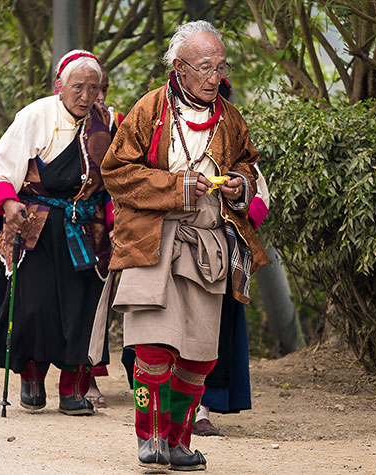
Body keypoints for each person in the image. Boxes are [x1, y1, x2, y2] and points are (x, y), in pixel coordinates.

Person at [97, 20, 269, 471]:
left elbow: (249, 167)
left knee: (197, 353)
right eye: (206, 67)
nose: (216, 77)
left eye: (221, 67)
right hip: (151, 239)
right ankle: (149, 437)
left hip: (206, 248)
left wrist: (239, 185)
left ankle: (178, 441)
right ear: (180, 67)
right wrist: (175, 187)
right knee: (153, 345)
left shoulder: (230, 119)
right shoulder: (150, 108)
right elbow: (115, 171)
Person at [0, 49, 113, 417]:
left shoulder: (107, 123)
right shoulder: (35, 115)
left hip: (86, 228)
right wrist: (8, 204)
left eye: (93, 87)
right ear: (60, 86)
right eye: (78, 87)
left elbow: (116, 180)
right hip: (35, 225)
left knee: (81, 308)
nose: (86, 96)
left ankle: (72, 390)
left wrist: (117, 217)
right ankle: (31, 377)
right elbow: (2, 166)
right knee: (35, 306)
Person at [194, 162, 270, 436]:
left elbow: (261, 194)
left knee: (216, 328)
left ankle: (202, 410)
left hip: (222, 249)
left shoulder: (234, 142)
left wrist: (241, 220)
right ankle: (165, 403)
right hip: (175, 239)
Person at [85, 66, 126, 409]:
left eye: (99, 89)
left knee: (99, 297)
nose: (93, 97)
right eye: (85, 89)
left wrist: (115, 218)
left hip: (104, 221)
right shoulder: (58, 118)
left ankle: (92, 373)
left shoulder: (115, 122)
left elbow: (122, 175)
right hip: (66, 217)